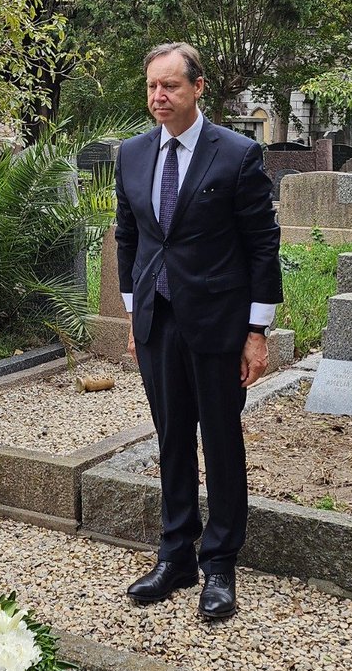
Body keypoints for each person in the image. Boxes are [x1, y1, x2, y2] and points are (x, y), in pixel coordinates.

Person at [114, 42, 282, 619]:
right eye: (152, 87)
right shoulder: (132, 154)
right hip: (157, 321)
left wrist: (256, 330)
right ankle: (176, 553)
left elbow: (262, 244)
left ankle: (219, 563)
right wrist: (134, 312)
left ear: (198, 88)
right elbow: (130, 235)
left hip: (216, 324)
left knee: (220, 439)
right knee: (170, 438)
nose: (159, 97)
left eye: (171, 87)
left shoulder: (235, 154)